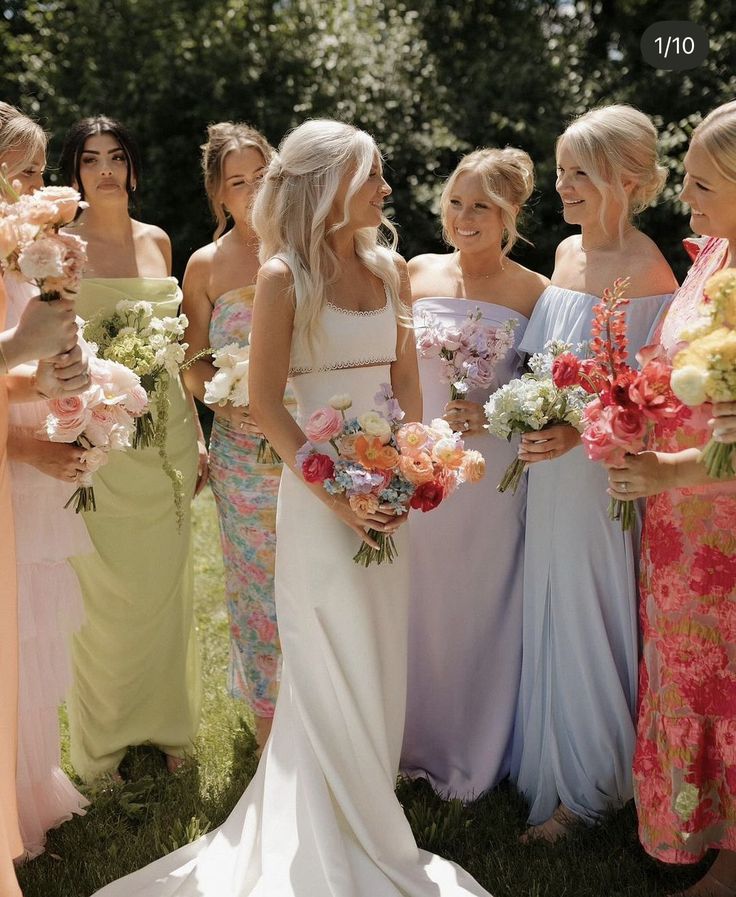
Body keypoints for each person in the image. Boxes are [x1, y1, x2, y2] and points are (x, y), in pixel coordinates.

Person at [88, 119, 492, 897]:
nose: (384, 188)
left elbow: (406, 385)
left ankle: (370, 811)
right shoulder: (283, 276)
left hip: (387, 496)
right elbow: (269, 406)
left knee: (378, 653)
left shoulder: (392, 268)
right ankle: (328, 833)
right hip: (317, 501)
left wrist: (409, 467)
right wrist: (337, 494)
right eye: (372, 175)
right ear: (332, 186)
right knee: (327, 658)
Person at [512, 104, 678, 842]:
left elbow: (648, 397)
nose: (563, 185)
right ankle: (544, 764)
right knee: (547, 602)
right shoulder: (566, 255)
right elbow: (547, 363)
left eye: (580, 172)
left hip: (600, 474)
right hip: (548, 474)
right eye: (560, 170)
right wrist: (530, 417)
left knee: (591, 612)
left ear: (628, 178)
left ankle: (590, 790)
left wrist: (572, 429)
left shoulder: (650, 272)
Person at [605, 100, 736, 897]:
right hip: (676, 529)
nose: (686, 196)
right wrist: (628, 413)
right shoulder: (713, 256)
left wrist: (670, 472)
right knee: (688, 676)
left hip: (721, 520)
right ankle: (699, 827)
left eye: (703, 183)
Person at [59, 115, 205, 782]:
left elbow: (174, 354)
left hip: (167, 440)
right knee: (104, 596)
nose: (106, 170)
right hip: (99, 441)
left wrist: (198, 435)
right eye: (91, 160)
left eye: (117, 157)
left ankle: (167, 728)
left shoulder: (158, 242)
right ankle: (103, 745)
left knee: (165, 590)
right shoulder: (59, 247)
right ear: (76, 173)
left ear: (134, 167)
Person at [401, 147, 547, 800]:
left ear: (510, 212)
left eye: (482, 205)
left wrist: (491, 413)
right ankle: (410, 743)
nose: (465, 216)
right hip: (421, 462)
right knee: (419, 602)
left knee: (482, 603)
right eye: (456, 202)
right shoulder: (415, 271)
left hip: (492, 473)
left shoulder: (534, 290)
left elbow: (548, 397)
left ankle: (479, 747)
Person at [182, 122, 293, 752]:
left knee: (313, 580)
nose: (251, 193)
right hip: (241, 455)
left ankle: (326, 714)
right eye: (237, 183)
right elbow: (193, 362)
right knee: (256, 587)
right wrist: (222, 402)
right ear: (218, 196)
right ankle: (268, 730)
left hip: (309, 442)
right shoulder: (205, 265)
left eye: (261, 177)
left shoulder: (307, 250)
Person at [0, 102, 90, 858]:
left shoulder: (28, 255)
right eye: (21, 170)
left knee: (25, 633)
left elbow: (19, 370)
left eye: (36, 171)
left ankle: (25, 792)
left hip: (22, 460)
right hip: (8, 460)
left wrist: (64, 379)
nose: (33, 185)